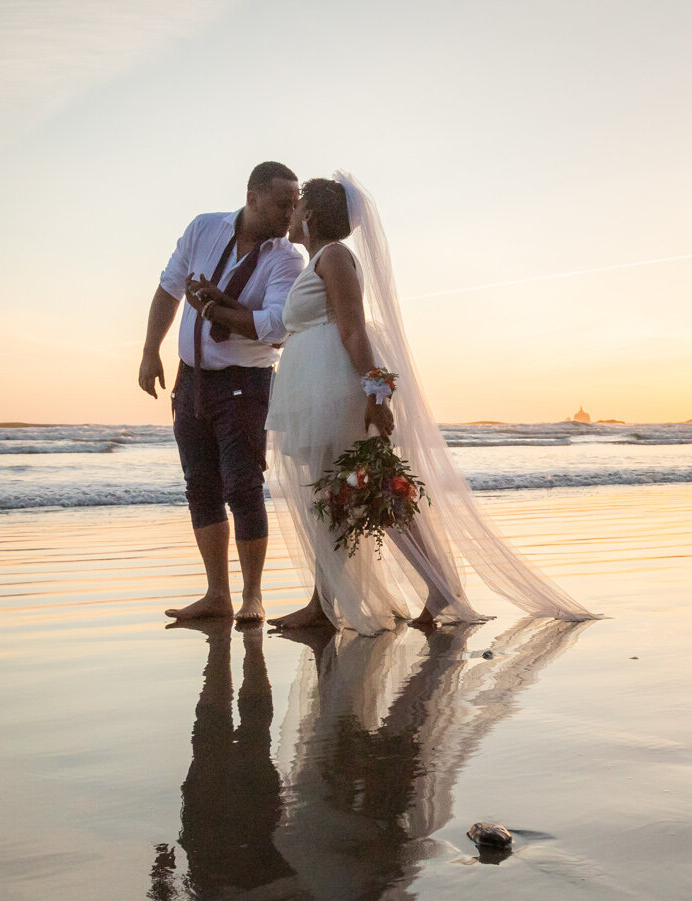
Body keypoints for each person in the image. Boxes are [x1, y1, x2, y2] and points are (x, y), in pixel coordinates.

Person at [263, 173, 597, 633]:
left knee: (367, 489)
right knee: (334, 495)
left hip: (334, 390)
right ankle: (325, 603)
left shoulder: (336, 257)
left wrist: (374, 390)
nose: (291, 212)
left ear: (313, 213)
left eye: (298, 205)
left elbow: (354, 329)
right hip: (311, 391)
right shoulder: (318, 260)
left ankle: (435, 584)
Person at [138, 162, 306, 621]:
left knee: (244, 486)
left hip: (245, 383)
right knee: (200, 486)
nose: (290, 214)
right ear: (252, 197)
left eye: (294, 205)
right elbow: (169, 288)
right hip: (190, 377)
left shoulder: (287, 258)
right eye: (281, 203)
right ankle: (217, 593)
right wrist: (150, 350)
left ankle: (252, 596)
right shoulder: (203, 228)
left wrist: (215, 306)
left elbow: (275, 329)